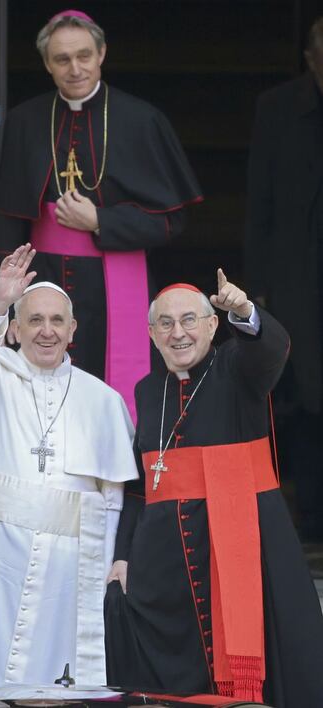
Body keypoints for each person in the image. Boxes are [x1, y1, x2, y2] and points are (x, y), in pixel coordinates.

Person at [0, 243, 138, 688]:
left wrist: (106, 569)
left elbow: (112, 499)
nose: (46, 331)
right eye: (34, 319)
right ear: (14, 329)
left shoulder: (103, 401)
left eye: (57, 321)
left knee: (56, 688)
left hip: (65, 577)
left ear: (73, 329)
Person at [104, 269, 323, 707]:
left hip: (244, 550)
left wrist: (244, 310)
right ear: (151, 333)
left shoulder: (236, 368)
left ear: (212, 325)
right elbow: (138, 486)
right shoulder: (147, 392)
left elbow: (272, 350)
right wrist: (122, 556)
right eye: (165, 323)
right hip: (167, 567)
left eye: (189, 320)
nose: (178, 332)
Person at [0, 9, 202, 420]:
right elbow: (8, 218)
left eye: (84, 55)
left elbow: (172, 221)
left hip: (111, 289)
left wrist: (100, 222)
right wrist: (4, 300)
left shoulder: (141, 120)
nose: (75, 68)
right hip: (44, 277)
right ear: (47, 64)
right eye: (62, 59)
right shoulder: (25, 120)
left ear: (102, 53)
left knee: (108, 398)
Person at [244, 16, 323, 541]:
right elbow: (260, 205)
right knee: (307, 398)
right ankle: (314, 520)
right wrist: (256, 289)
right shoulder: (277, 108)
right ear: (311, 57)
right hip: (299, 276)